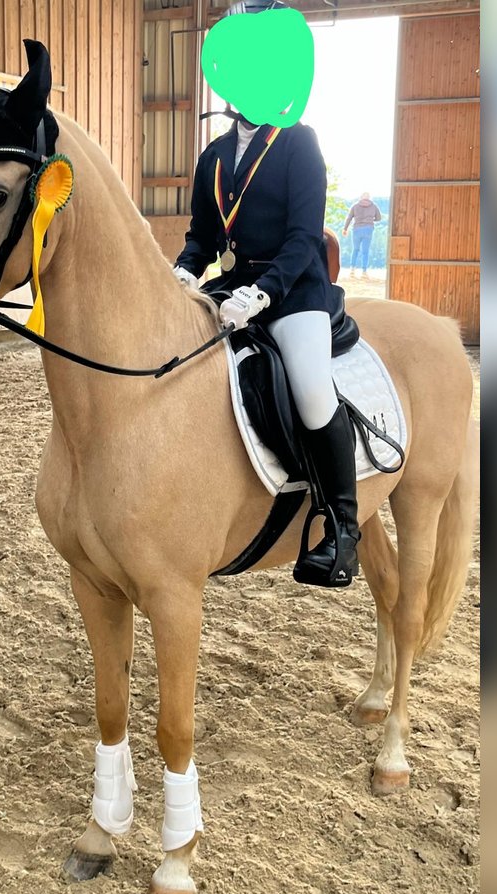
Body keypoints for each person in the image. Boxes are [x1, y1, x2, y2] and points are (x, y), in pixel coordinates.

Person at [172, 1, 360, 587]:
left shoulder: (300, 143)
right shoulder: (212, 156)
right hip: (231, 286)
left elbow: (305, 237)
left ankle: (342, 527)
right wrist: (184, 272)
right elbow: (203, 235)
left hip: (294, 289)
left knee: (311, 387)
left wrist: (263, 293)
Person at [342, 191, 382, 278]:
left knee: (355, 249)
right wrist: (370, 220)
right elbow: (379, 218)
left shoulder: (355, 206)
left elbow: (349, 218)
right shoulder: (374, 206)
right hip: (368, 229)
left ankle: (352, 270)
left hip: (357, 229)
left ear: (361, 197)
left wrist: (345, 229)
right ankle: (364, 271)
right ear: (369, 197)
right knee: (365, 251)